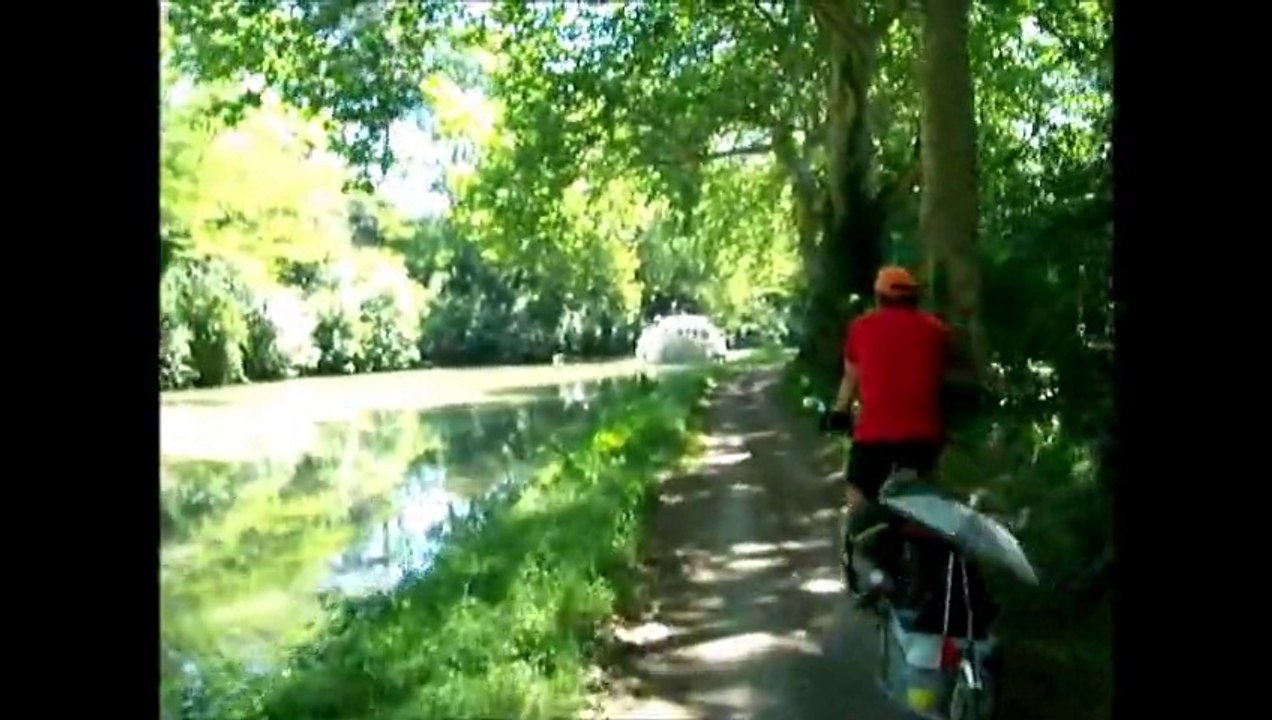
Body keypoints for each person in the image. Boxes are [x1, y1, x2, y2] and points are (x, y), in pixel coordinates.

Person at [832, 265, 950, 602]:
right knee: (927, 499)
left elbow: (850, 380)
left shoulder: (861, 328)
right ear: (914, 297)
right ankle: (931, 568)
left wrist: (840, 412)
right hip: (925, 439)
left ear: (878, 297)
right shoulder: (936, 331)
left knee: (858, 500)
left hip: (874, 438)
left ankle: (866, 572)